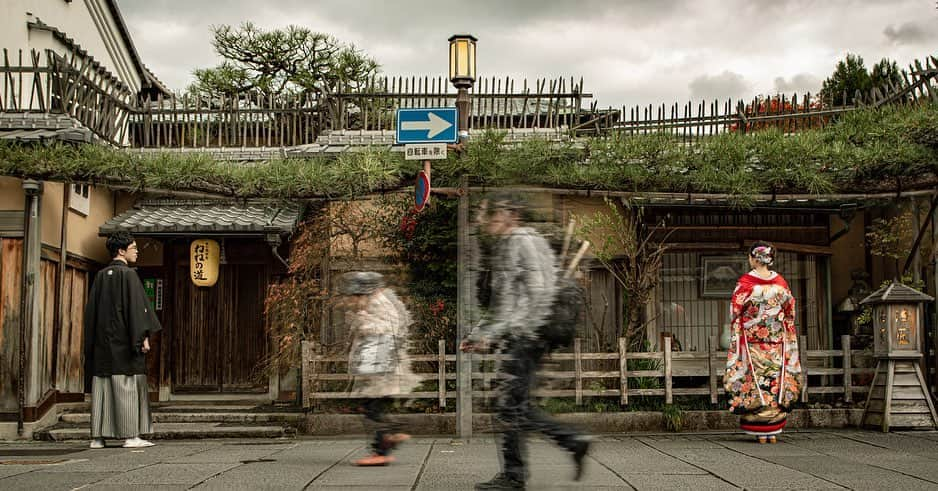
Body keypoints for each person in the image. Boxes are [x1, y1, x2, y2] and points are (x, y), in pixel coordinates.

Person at [460, 196, 590, 490]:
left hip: (528, 336)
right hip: (523, 335)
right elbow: (505, 304)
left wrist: (500, 334)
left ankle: (517, 474)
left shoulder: (521, 241)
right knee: (513, 404)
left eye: (488, 213)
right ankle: (568, 443)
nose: (483, 220)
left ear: (508, 214)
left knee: (509, 405)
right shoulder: (510, 244)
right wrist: (482, 335)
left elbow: (537, 294)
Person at [83, 231, 162, 449]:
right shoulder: (128, 275)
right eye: (134, 247)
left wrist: (91, 346)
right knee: (127, 386)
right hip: (126, 345)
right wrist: (143, 338)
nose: (137, 251)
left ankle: (97, 438)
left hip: (102, 346)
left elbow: (92, 314)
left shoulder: (100, 276)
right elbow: (137, 310)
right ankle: (131, 436)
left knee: (102, 389)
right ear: (121, 250)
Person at [723, 241, 803, 443]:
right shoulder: (781, 283)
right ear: (769, 259)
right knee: (775, 380)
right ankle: (773, 429)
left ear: (752, 258)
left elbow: (735, 311)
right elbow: (790, 312)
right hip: (776, 341)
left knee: (756, 380)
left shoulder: (746, 283)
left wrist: (746, 325)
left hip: (752, 342)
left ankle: (759, 427)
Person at [337, 271, 420, 466]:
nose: (350, 301)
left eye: (353, 296)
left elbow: (378, 334)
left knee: (371, 409)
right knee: (375, 408)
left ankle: (383, 447)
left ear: (362, 293)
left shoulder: (376, 307)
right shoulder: (384, 303)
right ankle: (391, 435)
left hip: (378, 372)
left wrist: (359, 321)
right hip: (385, 370)